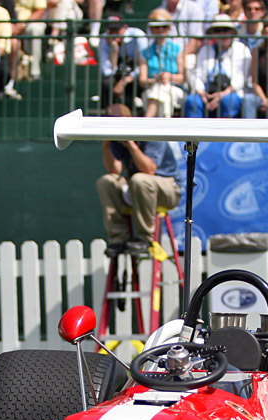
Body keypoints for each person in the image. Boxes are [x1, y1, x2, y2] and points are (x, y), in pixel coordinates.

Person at [96, 103, 182, 258]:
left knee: (140, 179)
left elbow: (149, 169)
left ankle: (146, 239)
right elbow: (114, 170)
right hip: (138, 189)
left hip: (168, 189)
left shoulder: (150, 133)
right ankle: (118, 238)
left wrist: (130, 144)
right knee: (106, 181)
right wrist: (106, 144)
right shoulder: (115, 139)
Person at [184, 14, 252, 117]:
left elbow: (241, 78)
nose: (222, 34)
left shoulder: (241, 49)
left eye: (225, 30)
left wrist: (223, 94)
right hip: (208, 92)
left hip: (231, 92)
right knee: (191, 101)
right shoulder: (205, 50)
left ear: (232, 32)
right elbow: (197, 75)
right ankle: (196, 133)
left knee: (228, 101)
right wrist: (201, 92)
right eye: (218, 30)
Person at [138, 8, 185, 117]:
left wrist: (169, 77)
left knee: (160, 92)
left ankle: (146, 125)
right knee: (158, 91)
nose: (160, 30)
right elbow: (142, 81)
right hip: (151, 90)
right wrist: (155, 80)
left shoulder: (178, 49)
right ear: (151, 29)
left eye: (164, 27)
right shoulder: (144, 53)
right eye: (156, 27)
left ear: (169, 28)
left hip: (175, 90)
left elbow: (183, 78)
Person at [97, 15, 147, 110]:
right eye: (111, 31)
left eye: (117, 30)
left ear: (125, 27)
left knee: (141, 83)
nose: (114, 34)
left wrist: (125, 81)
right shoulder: (104, 39)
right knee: (107, 84)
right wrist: (114, 50)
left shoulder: (138, 35)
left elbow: (143, 65)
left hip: (134, 76)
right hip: (117, 75)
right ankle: (107, 113)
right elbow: (107, 71)